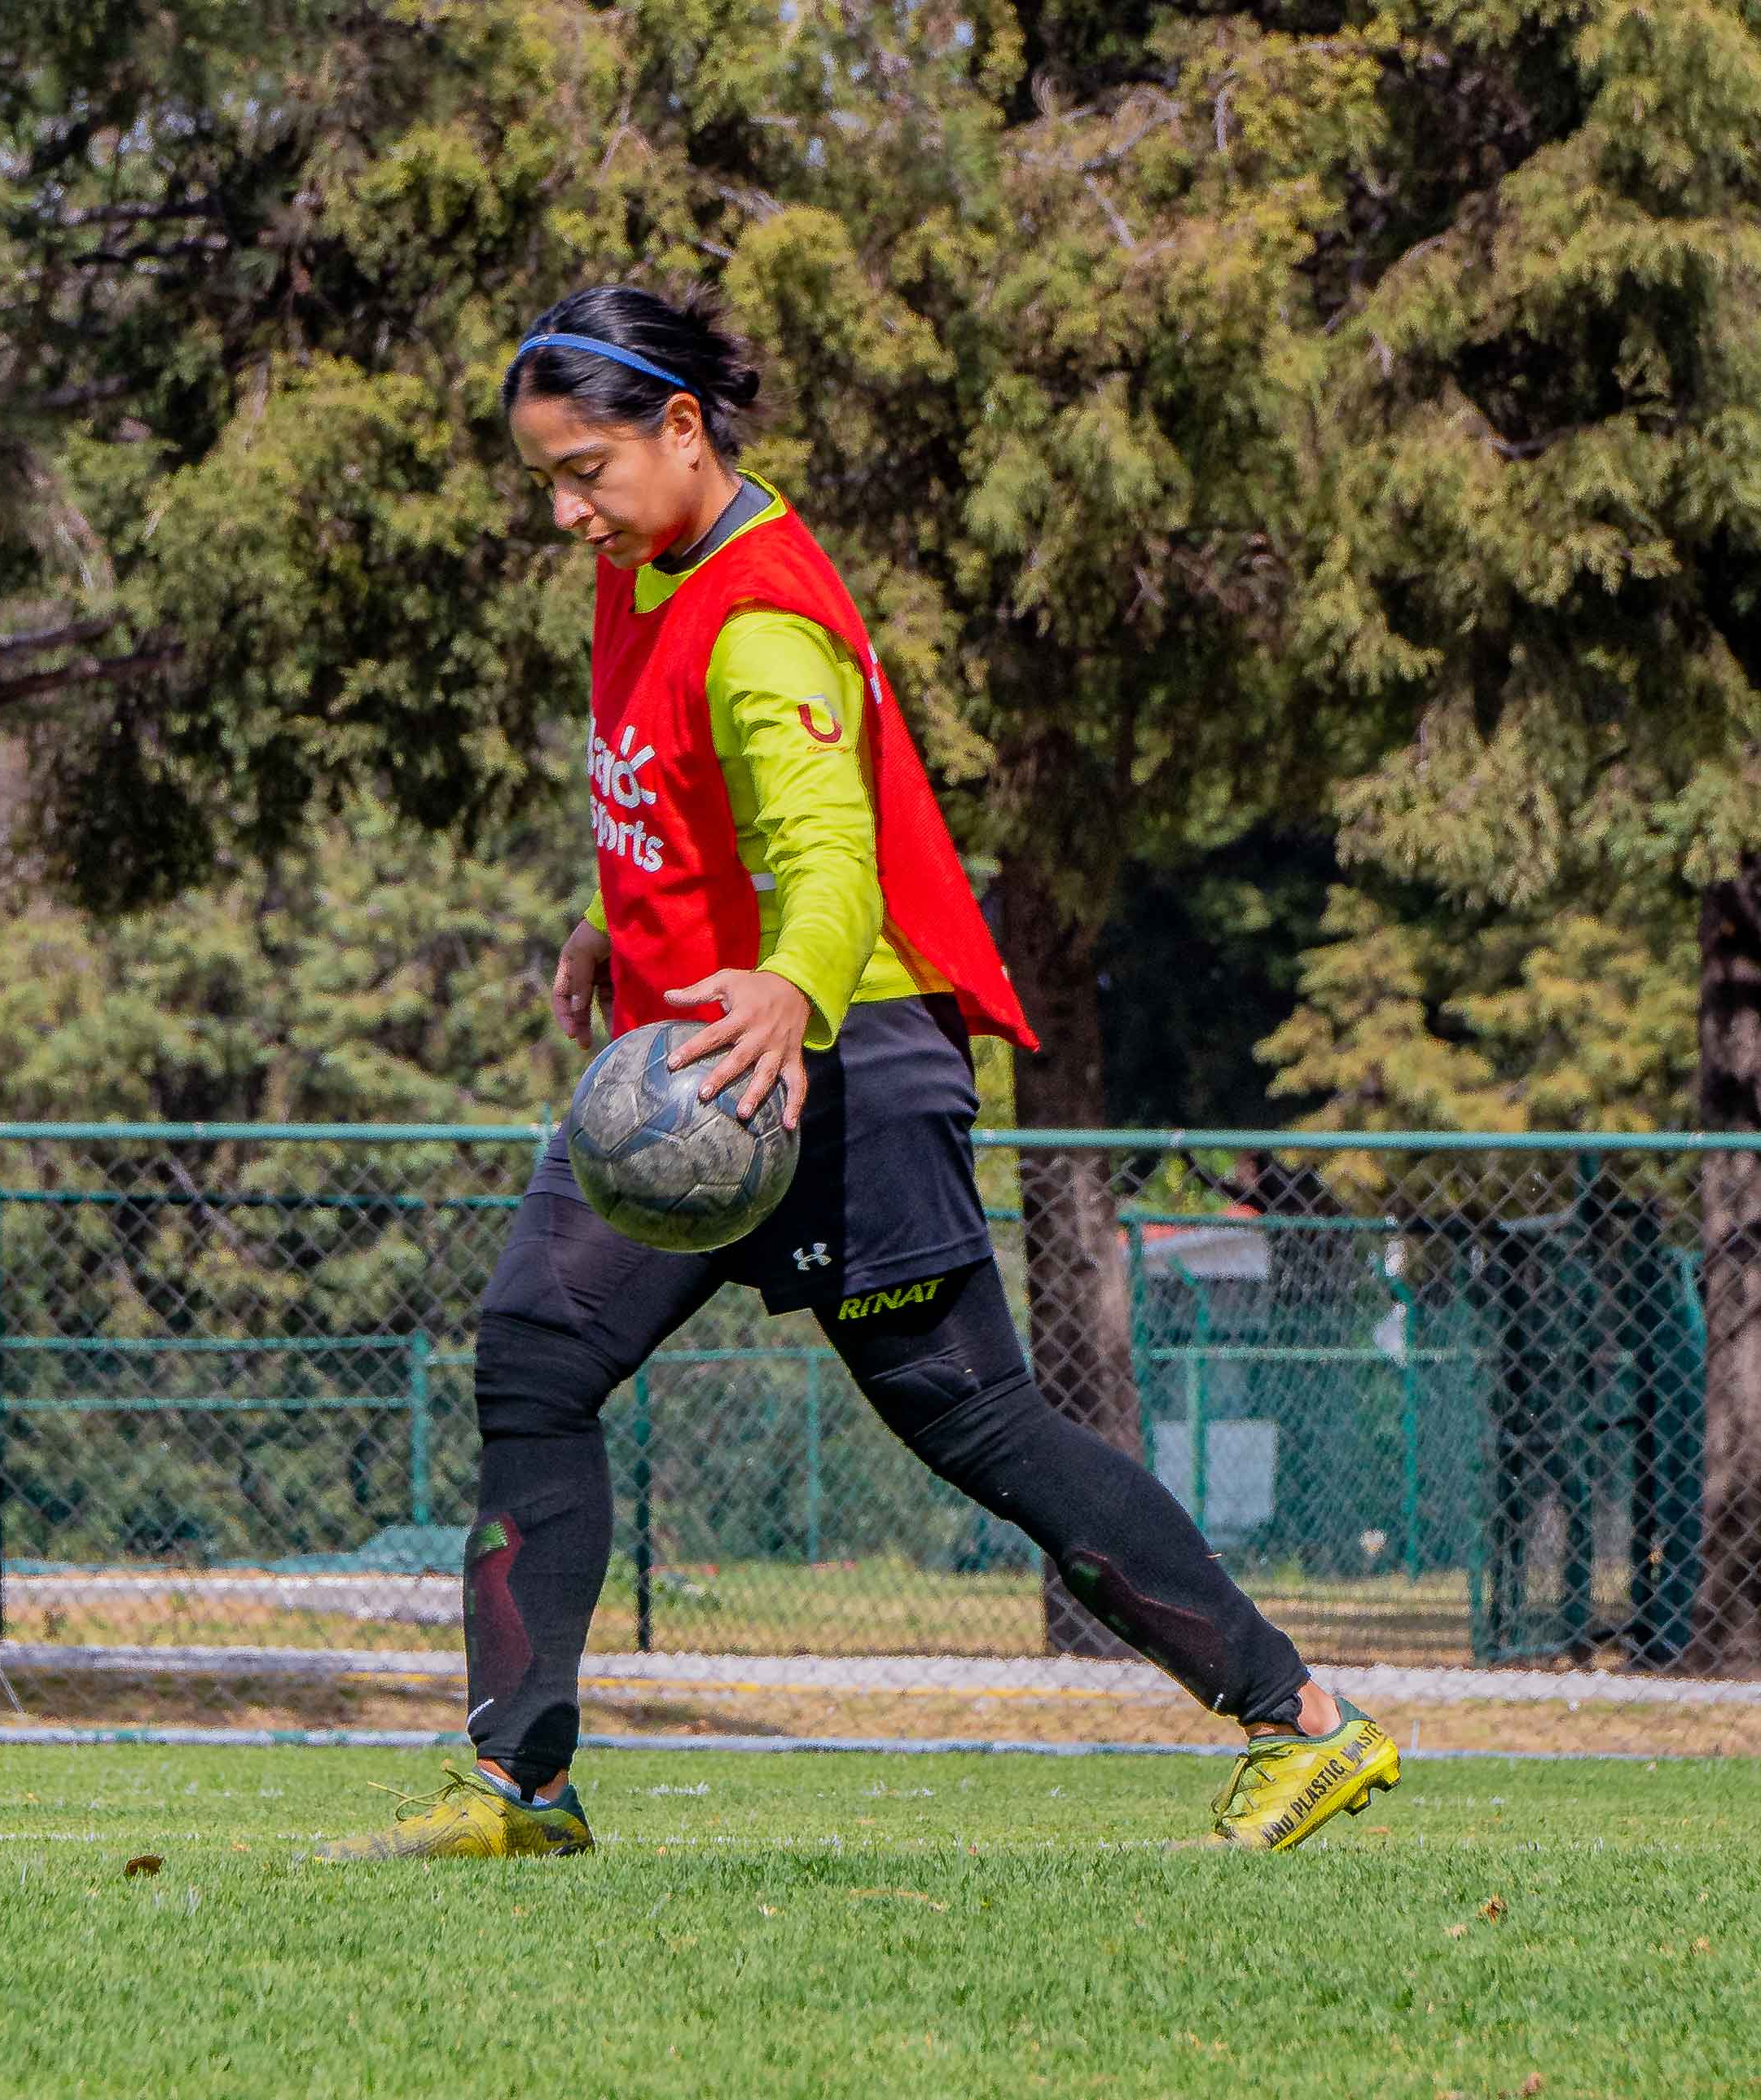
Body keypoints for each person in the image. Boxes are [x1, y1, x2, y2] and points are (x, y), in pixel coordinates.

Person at [316, 285, 1399, 1861]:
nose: (564, 512)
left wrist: (787, 985)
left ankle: (1303, 1718)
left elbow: (833, 862)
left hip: (843, 1067)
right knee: (535, 1356)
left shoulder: (762, 620)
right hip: (699, 1055)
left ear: (680, 428)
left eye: (584, 472)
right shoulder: (646, 563)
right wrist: (619, 913)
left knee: (979, 1423)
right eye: (543, 478)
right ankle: (518, 1789)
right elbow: (689, 797)